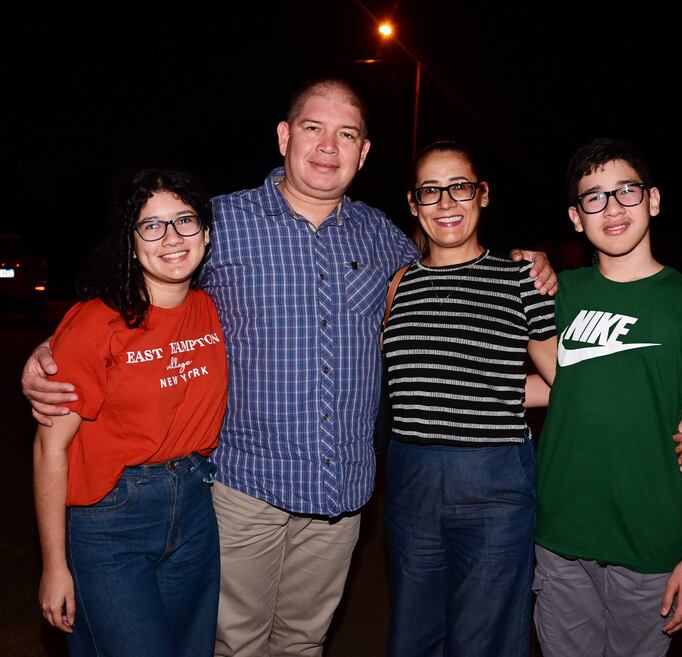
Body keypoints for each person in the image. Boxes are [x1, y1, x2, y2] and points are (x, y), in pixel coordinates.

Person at [22, 78, 557, 657]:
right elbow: (140, 288)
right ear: (283, 137)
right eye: (313, 128)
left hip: (341, 496)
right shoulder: (219, 226)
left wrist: (530, 264)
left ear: (364, 152)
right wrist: (51, 346)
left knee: (304, 643)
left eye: (346, 134)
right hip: (245, 488)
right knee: (235, 645)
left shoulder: (386, 241)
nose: (328, 146)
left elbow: (452, 269)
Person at [532, 138, 682, 657]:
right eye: (594, 197)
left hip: (651, 543)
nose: (612, 208)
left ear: (653, 200)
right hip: (560, 536)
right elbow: (565, 388)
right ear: (575, 216)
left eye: (626, 192)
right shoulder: (557, 293)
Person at [33, 169, 227, 657]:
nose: (171, 238)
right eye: (152, 226)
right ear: (131, 242)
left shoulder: (213, 309)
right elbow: (49, 447)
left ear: (205, 233)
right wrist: (55, 564)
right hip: (112, 520)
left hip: (196, 509)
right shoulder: (96, 321)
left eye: (185, 221)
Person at [382, 140, 557, 657]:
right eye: (429, 191)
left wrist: (665, 415)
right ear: (413, 204)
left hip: (496, 481)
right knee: (414, 637)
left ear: (482, 194)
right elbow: (409, 379)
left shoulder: (520, 278)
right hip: (411, 479)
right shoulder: (399, 284)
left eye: (459, 187)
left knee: (486, 641)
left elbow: (565, 382)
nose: (445, 202)